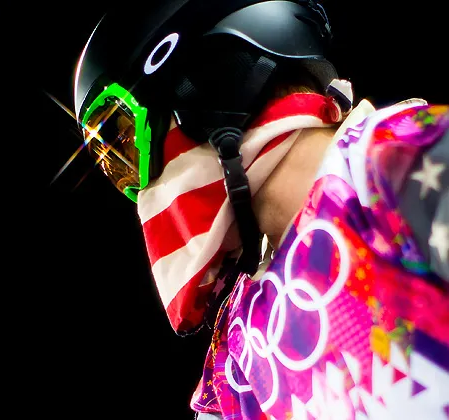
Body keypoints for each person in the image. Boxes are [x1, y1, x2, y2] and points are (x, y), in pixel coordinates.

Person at [70, 0, 449, 418]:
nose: (138, 190)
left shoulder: (401, 159)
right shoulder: (235, 356)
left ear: (215, 81)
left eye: (127, 142)